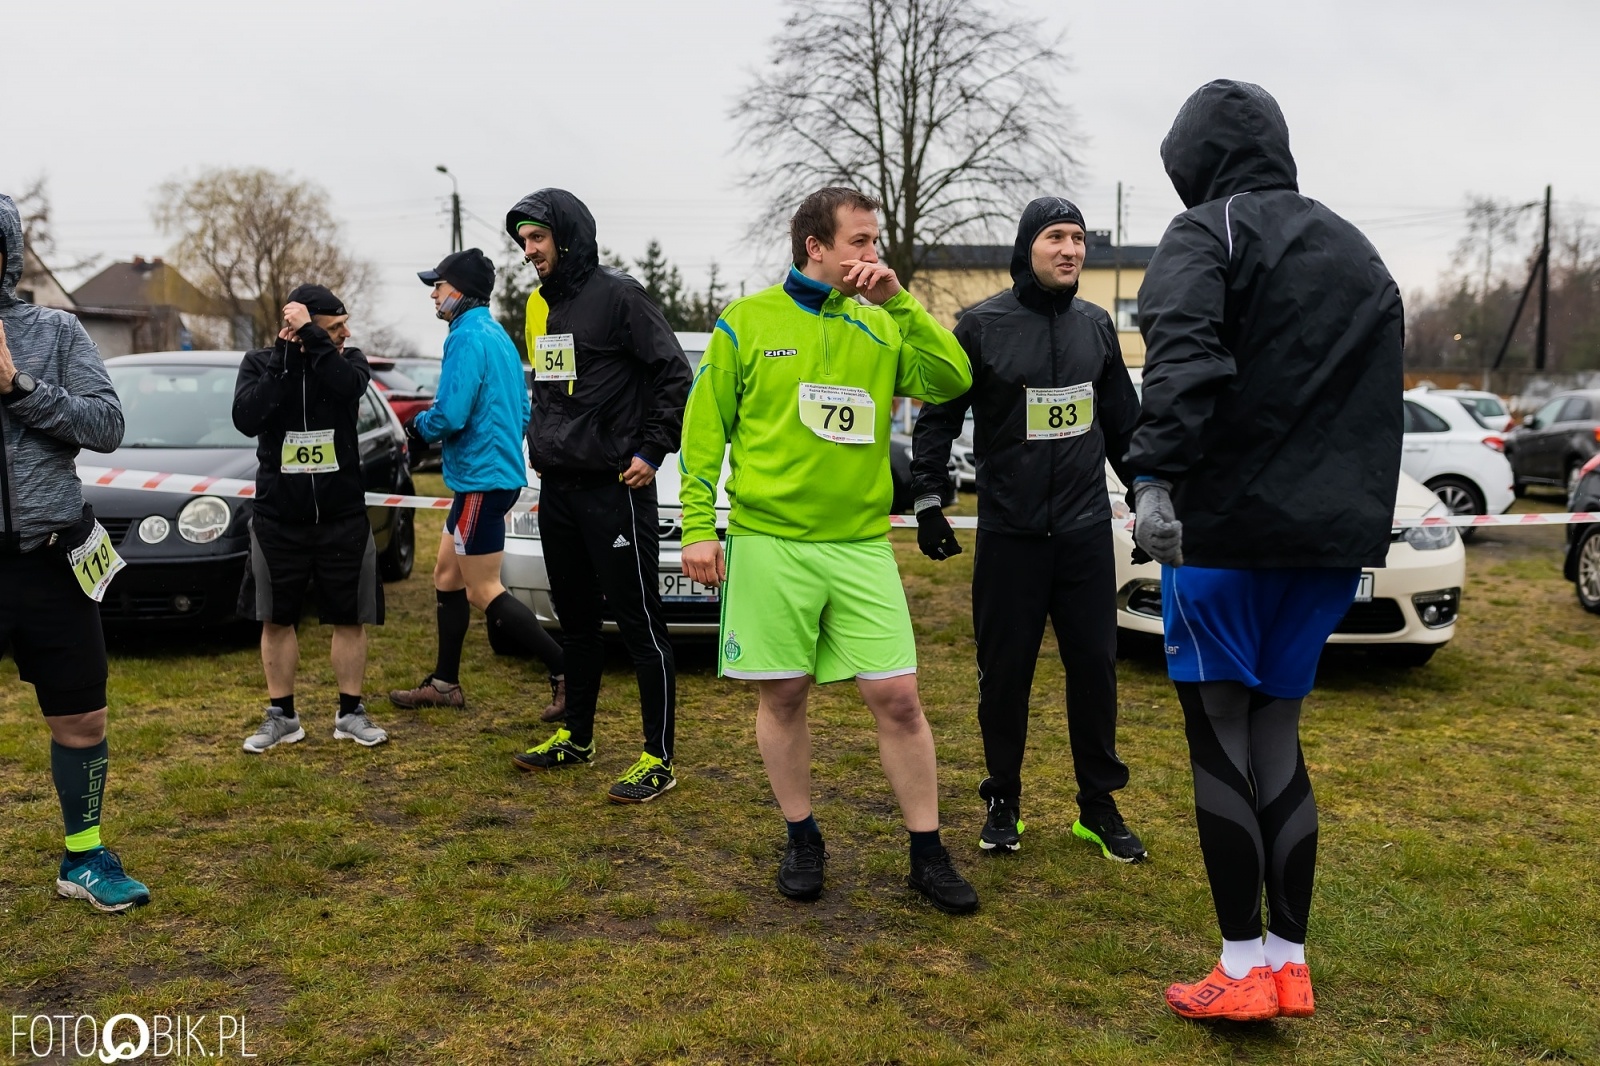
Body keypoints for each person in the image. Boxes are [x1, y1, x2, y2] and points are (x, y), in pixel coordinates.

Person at [1126, 81, 1403, 1021]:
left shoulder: (1207, 231)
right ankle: (1289, 962)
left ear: (1192, 158)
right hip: (1326, 544)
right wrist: (1357, 521)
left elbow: (1183, 357)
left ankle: (1240, 967)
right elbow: (1378, 400)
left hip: (1223, 536)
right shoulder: (1356, 248)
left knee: (1219, 736)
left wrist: (1153, 478)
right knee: (1278, 735)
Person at [679, 186, 979, 913]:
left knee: (898, 697)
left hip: (860, 545)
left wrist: (900, 303)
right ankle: (802, 836)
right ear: (816, 246)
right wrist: (696, 526)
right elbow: (703, 431)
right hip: (770, 542)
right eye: (860, 241)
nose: (874, 253)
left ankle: (928, 851)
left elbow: (953, 379)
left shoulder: (879, 325)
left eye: (876, 241)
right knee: (784, 693)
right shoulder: (745, 322)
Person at [910, 197, 1147, 863]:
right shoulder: (981, 326)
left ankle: (1098, 807)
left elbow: (1124, 425)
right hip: (1010, 535)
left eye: (1078, 238)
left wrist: (1147, 495)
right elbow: (939, 416)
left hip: (1083, 533)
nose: (1070, 250)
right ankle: (1003, 800)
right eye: (1055, 238)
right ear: (1028, 247)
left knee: (1095, 669)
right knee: (1005, 675)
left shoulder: (1097, 326)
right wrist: (928, 498)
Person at [502, 190, 691, 804]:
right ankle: (576, 737)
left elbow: (674, 373)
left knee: (639, 624)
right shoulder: (542, 304)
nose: (529, 251)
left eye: (537, 238)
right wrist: (540, 441)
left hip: (614, 488)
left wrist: (652, 449)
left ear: (567, 236)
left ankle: (658, 758)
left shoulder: (620, 295)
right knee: (577, 623)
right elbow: (551, 386)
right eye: (523, 241)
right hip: (558, 488)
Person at [0, 194, 149, 911]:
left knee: (82, 718)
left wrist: (19, 387)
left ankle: (83, 857)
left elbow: (107, 425)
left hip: (52, 560)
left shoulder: (54, 331)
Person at [390, 249, 568, 717]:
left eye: (439, 286)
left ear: (461, 291)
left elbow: (450, 413)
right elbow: (524, 410)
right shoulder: (497, 335)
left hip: (480, 482)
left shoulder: (466, 337)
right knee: (446, 577)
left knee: (482, 589)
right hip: (489, 476)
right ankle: (445, 684)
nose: (433, 294)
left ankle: (566, 671)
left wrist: (416, 428)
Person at [231, 284, 390, 752]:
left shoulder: (348, 361)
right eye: (335, 327)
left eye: (343, 326)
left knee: (349, 616)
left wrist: (316, 340)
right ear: (303, 327)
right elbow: (248, 417)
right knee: (276, 618)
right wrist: (284, 358)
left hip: (342, 514)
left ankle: (350, 713)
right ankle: (282, 716)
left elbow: (348, 387)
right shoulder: (261, 363)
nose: (346, 334)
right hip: (279, 517)